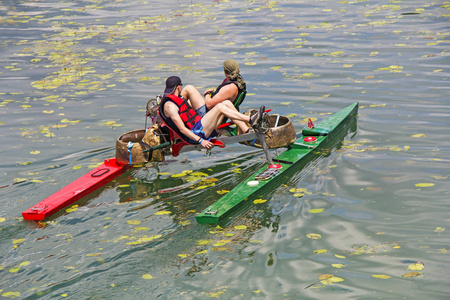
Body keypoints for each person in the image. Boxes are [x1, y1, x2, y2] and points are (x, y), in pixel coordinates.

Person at [159, 76, 264, 150]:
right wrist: (201, 141)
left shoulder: (176, 99)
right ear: (178, 87)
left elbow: (186, 113)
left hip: (200, 126)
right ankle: (250, 119)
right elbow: (182, 129)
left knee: (226, 102)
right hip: (196, 135)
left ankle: (247, 129)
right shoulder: (170, 107)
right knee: (219, 107)